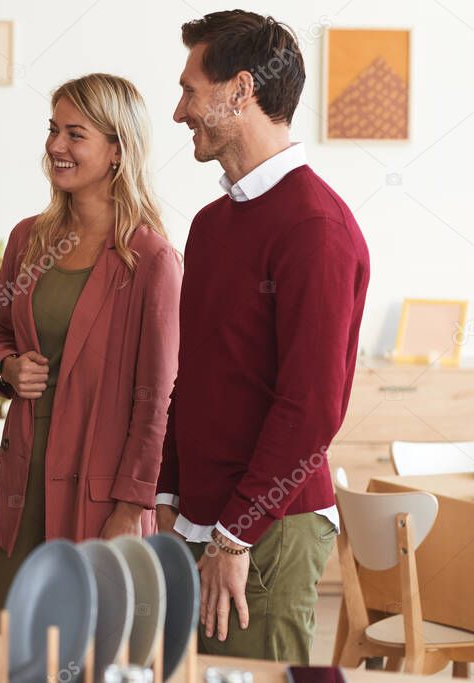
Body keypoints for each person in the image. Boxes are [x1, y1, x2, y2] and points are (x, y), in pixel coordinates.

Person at [159, 10, 370, 663]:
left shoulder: (315, 226)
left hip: (263, 534)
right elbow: (191, 376)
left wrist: (234, 534)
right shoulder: (209, 224)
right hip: (202, 525)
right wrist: (167, 495)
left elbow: (312, 407)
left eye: (190, 90)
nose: (178, 111)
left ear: (240, 90)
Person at [0, 73, 182, 635]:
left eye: (75, 134)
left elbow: (157, 400)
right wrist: (7, 369)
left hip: (98, 491)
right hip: (24, 480)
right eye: (52, 130)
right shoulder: (28, 240)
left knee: (82, 652)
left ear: (117, 149)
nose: (56, 147)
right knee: (2, 648)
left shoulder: (150, 260)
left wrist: (130, 507)